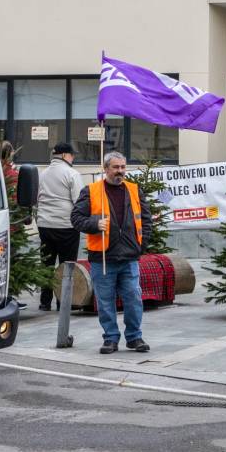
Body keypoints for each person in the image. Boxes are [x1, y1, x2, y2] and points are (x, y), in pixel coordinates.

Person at [70, 152, 152, 355]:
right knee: (105, 301)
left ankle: (134, 337)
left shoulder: (134, 190)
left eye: (123, 167)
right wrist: (94, 224)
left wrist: (141, 246)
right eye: (116, 167)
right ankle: (111, 338)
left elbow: (146, 219)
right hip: (103, 257)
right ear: (105, 169)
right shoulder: (91, 191)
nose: (120, 171)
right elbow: (76, 217)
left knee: (133, 298)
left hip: (129, 256)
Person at [36, 142, 85, 311]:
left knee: (47, 264)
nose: (74, 158)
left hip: (44, 225)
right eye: (72, 155)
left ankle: (44, 302)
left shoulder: (42, 174)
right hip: (66, 225)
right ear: (65, 155)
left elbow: (37, 198)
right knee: (67, 265)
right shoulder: (71, 174)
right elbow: (79, 201)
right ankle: (63, 302)